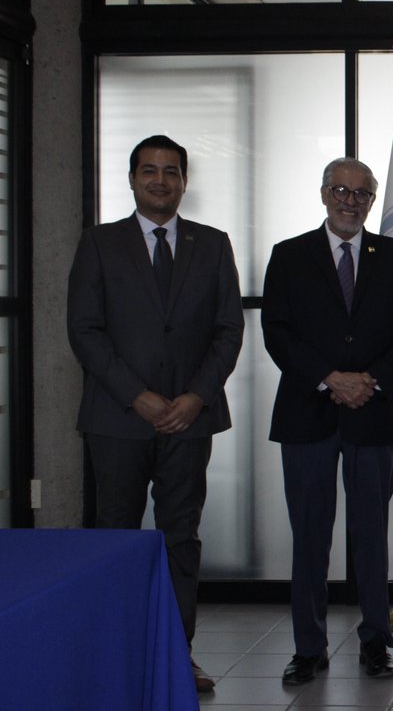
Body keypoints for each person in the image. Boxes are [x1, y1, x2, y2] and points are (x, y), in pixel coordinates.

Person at [67, 134, 244, 694]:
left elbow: (228, 329)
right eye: (150, 170)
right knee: (114, 535)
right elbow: (85, 331)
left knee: (180, 538)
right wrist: (136, 395)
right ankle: (113, 655)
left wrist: (194, 396)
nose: (161, 181)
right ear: (133, 178)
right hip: (118, 419)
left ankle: (176, 655)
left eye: (172, 171)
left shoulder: (212, 245)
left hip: (190, 421)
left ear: (185, 181)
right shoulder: (98, 243)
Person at [261, 157, 393, 685]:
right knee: (309, 534)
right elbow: (277, 332)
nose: (350, 201)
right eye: (340, 190)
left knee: (371, 535)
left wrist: (370, 382)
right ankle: (309, 646)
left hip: (372, 414)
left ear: (373, 200)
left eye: (361, 193)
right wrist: (331, 378)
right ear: (324, 194)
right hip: (308, 414)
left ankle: (376, 641)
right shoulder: (289, 256)